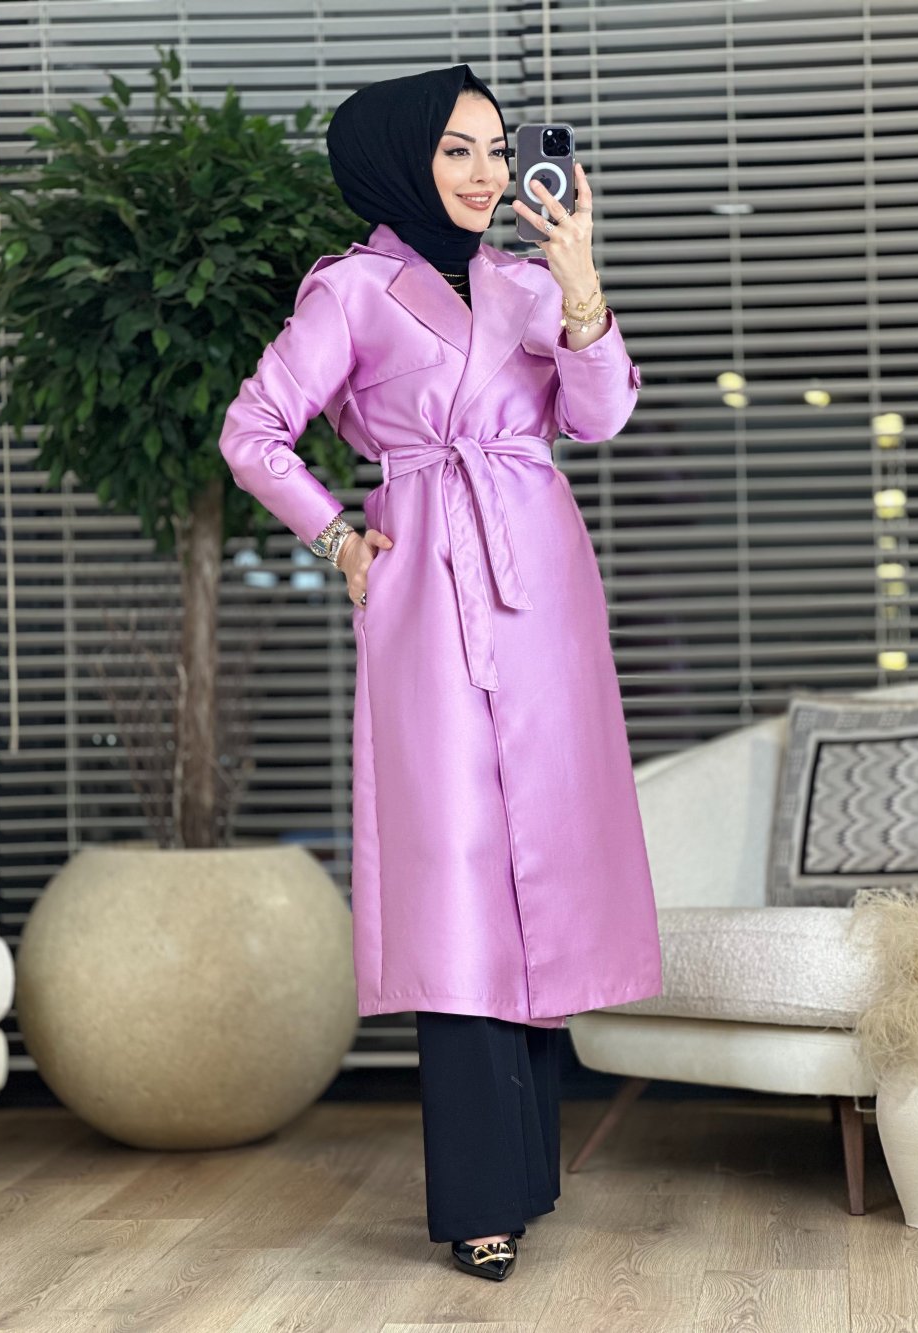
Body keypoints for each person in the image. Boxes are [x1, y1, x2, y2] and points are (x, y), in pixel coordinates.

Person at [217, 63, 662, 1281]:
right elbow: (253, 433)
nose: (484, 173)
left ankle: (526, 1170)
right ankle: (479, 1194)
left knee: (542, 863)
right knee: (458, 871)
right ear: (401, 160)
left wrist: (580, 280)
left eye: (496, 149)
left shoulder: (527, 280)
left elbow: (600, 417)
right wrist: (338, 539)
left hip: (543, 584)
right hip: (426, 586)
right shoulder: (352, 290)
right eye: (457, 150)